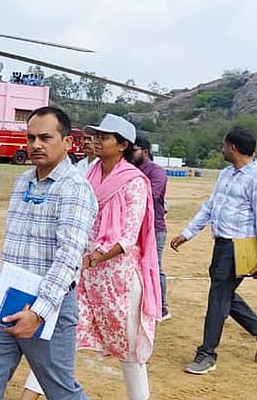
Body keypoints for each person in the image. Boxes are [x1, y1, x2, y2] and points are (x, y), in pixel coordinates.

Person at [21, 114, 160, 400]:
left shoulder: (135, 182)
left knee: (128, 350)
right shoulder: (87, 174)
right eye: (95, 136)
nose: (95, 141)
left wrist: (92, 258)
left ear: (122, 145)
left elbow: (128, 237)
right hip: (84, 277)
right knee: (60, 338)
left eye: (103, 137)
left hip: (119, 280)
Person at [0, 106, 98, 400]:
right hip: (7, 299)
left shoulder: (75, 189)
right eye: (31, 138)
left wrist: (38, 312)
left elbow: (69, 257)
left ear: (67, 142)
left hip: (49, 305)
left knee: (61, 391)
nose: (36, 144)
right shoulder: (23, 181)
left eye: (45, 138)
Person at [169, 127, 257, 375]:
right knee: (224, 295)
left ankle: (207, 353)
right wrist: (188, 233)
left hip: (238, 248)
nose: (222, 149)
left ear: (233, 147)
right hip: (221, 245)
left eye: (224, 145)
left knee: (218, 297)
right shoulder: (226, 174)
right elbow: (210, 207)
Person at [132, 135, 171, 321]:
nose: (130, 154)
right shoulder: (130, 170)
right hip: (135, 228)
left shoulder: (157, 172)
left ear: (145, 152)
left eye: (134, 150)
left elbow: (148, 198)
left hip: (154, 228)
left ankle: (162, 308)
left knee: (155, 266)